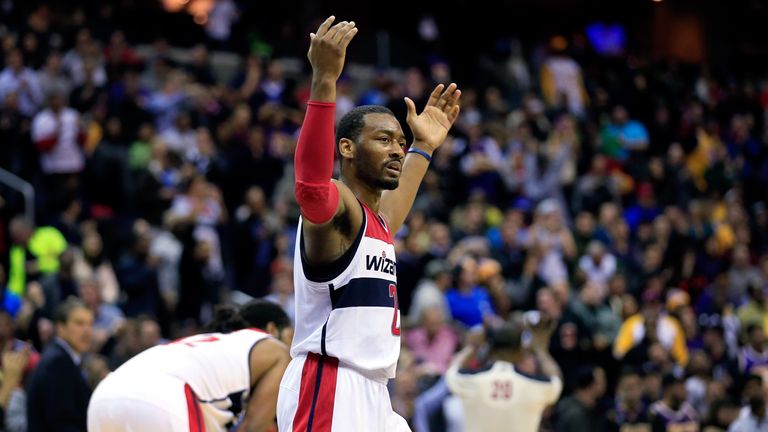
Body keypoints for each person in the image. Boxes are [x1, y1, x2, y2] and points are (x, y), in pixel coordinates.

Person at [277, 16, 460, 432]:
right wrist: (324, 81)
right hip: (330, 383)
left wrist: (423, 147)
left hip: (375, 391)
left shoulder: (376, 221)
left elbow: (392, 213)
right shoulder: (338, 206)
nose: (396, 150)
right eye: (383, 140)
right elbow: (310, 188)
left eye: (400, 142)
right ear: (347, 148)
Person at [87, 300, 292, 432]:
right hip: (162, 397)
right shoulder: (275, 349)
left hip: (104, 397)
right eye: (292, 335)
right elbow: (253, 428)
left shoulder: (212, 346)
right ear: (272, 330)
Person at [445, 319, 563, 432]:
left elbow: (452, 370)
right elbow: (555, 380)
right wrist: (539, 348)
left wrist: (472, 347)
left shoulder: (472, 381)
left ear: (489, 350)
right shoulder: (532, 385)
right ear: (520, 352)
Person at [27, 297, 94, 432]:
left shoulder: (62, 358)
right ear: (60, 328)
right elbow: (63, 423)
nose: (87, 331)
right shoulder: (57, 362)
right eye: (79, 323)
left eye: (90, 324)